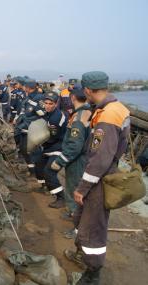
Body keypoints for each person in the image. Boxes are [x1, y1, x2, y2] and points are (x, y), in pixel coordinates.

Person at [65, 71, 130, 285]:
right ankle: (80, 254)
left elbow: (100, 159)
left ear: (87, 91)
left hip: (100, 180)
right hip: (102, 174)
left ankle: (93, 274)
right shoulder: (117, 108)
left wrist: (82, 188)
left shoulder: (108, 116)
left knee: (94, 229)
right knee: (81, 219)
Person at [51, 88, 91, 225]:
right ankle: (72, 212)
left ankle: (76, 220)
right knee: (74, 187)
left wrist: (61, 160)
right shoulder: (87, 112)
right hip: (82, 158)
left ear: (73, 98)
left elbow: (75, 145)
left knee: (74, 188)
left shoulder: (79, 117)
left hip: (77, 160)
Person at [34, 91, 68, 208]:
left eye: (50, 103)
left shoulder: (56, 118)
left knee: (49, 172)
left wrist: (36, 141)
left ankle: (61, 197)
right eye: (46, 103)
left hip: (58, 147)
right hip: (49, 147)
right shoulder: (47, 113)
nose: (47, 105)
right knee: (38, 165)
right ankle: (45, 187)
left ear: (56, 103)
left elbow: (52, 138)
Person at [14, 79, 46, 175]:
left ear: (28, 88)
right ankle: (31, 170)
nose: (23, 88)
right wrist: (17, 118)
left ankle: (39, 174)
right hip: (24, 128)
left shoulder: (39, 98)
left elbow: (43, 113)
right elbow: (24, 111)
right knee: (24, 150)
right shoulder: (27, 97)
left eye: (24, 86)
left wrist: (34, 105)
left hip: (34, 129)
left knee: (34, 152)